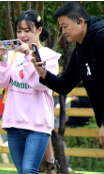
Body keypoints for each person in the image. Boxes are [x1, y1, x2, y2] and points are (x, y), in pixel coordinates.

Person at [0, 10, 61, 174]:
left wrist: (29, 57)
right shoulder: (13, 56)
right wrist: (3, 60)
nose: (23, 35)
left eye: (28, 30)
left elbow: (39, 84)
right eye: (19, 31)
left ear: (39, 30)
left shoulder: (50, 57)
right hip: (14, 123)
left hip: (37, 125)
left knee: (29, 171)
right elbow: (2, 82)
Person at [31, 1, 104, 147]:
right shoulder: (80, 49)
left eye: (65, 26)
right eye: (60, 27)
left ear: (80, 21)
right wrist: (43, 73)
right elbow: (65, 85)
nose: (63, 31)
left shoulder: (101, 38)